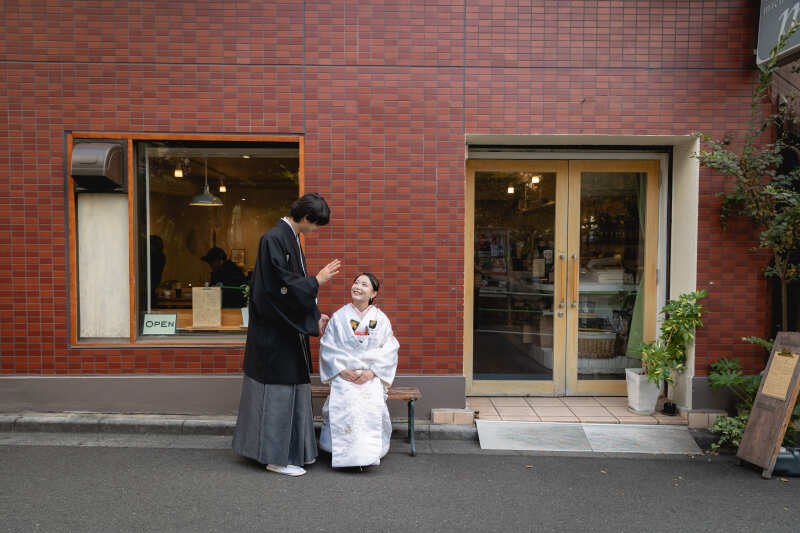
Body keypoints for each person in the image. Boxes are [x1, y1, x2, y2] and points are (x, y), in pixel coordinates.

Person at [232, 193, 341, 477]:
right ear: (306, 218)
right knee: (277, 396)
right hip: (274, 336)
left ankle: (295, 452)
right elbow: (277, 291)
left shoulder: (288, 238)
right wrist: (317, 281)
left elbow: (292, 290)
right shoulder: (274, 239)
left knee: (293, 392)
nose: (315, 231)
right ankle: (275, 458)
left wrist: (314, 318)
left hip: (286, 333)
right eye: (316, 225)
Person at [319, 273, 399, 468]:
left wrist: (372, 372)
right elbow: (327, 346)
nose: (358, 287)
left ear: (374, 293)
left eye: (364, 284)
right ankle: (341, 451)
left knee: (370, 404)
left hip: (370, 375)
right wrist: (340, 370)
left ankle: (369, 452)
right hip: (345, 375)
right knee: (345, 402)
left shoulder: (381, 319)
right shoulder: (340, 316)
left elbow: (389, 348)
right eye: (356, 283)